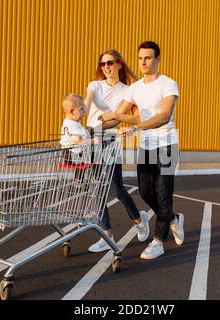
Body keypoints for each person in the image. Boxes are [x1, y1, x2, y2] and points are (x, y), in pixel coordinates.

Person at [101, 41, 184, 260]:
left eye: (147, 58)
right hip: (146, 146)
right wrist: (94, 129)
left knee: (163, 193)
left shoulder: (168, 84)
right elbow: (117, 115)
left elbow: (164, 116)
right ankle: (173, 219)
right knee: (146, 192)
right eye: (140, 58)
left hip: (166, 144)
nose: (143, 62)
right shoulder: (134, 88)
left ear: (157, 59)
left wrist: (137, 127)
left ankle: (158, 241)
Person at [84, 50, 150, 253]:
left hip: (110, 140)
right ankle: (107, 234)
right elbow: (86, 104)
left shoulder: (127, 91)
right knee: (96, 189)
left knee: (116, 188)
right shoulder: (95, 86)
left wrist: (129, 125)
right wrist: (77, 121)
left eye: (110, 63)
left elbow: (135, 117)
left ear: (119, 64)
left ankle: (139, 219)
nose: (105, 67)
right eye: (102, 64)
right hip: (90, 140)